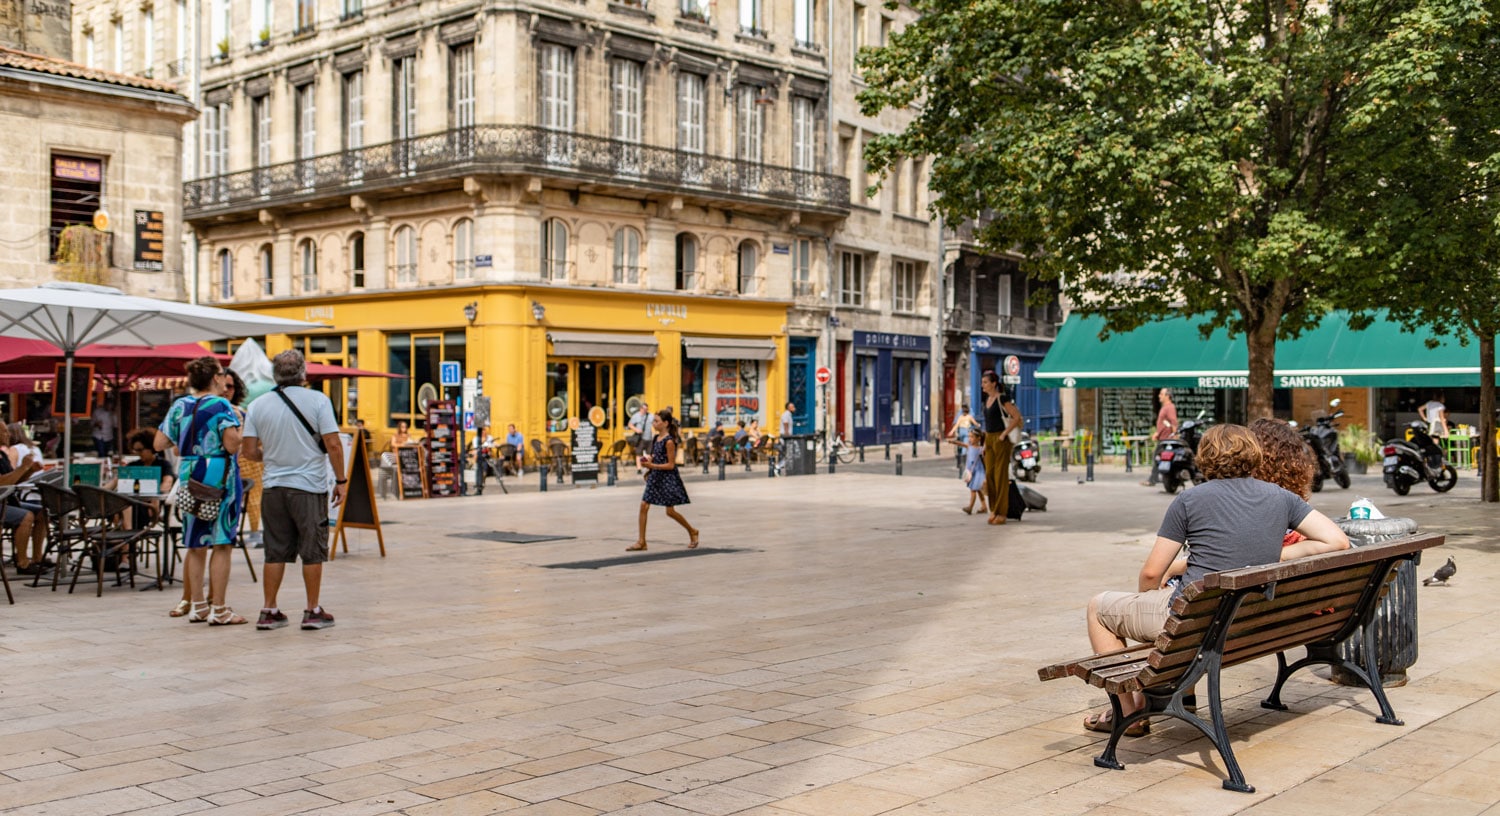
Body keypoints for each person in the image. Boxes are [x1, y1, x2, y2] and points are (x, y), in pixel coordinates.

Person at [1080, 424, 1349, 736]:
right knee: (1172, 605)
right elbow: (1337, 541)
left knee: (1098, 607)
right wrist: (1276, 555)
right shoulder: (1281, 497)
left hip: (1195, 624)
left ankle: (1129, 715)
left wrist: (1147, 597)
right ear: (1254, 455)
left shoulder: (1189, 500)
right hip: (1249, 624)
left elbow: (1152, 573)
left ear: (1205, 457)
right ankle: (1173, 692)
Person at [242, 350, 346, 631]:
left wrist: (273, 456)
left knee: (275, 550)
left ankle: (269, 610)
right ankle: (312, 610)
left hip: (273, 487)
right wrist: (341, 480)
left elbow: (248, 451)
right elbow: (333, 444)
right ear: (303, 372)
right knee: (312, 550)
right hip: (308, 487)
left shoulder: (257, 405)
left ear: (274, 375)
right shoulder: (318, 400)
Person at [155, 356, 246, 625]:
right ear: (216, 378)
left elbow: (159, 443)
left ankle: (197, 606)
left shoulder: (180, 405)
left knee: (195, 543)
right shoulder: (221, 405)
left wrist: (188, 437)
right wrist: (240, 425)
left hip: (189, 473)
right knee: (221, 542)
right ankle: (219, 609)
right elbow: (232, 445)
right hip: (218, 474)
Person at [627, 407, 699, 552]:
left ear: (665, 423)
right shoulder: (656, 438)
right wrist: (649, 461)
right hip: (655, 476)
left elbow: (671, 465)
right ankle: (641, 541)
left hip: (667, 478)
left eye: (656, 421)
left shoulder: (669, 441)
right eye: (653, 421)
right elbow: (656, 456)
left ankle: (692, 531)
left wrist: (652, 465)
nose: (653, 423)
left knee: (670, 511)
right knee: (643, 505)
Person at [0, 422, 47, 576]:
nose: (8, 435)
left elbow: (14, 480)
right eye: (4, 432)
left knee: (42, 513)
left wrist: (29, 471)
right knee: (26, 516)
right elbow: (2, 482)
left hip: (9, 500)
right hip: (2, 503)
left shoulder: (3, 456)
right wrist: (22, 467)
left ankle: (37, 557)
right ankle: (22, 562)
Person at [981, 372, 1023, 525]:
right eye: (982, 382)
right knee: (990, 474)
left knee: (1000, 476)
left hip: (1001, 438)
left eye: (985, 382)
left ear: (993, 383)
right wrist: (985, 443)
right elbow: (988, 423)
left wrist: (1004, 434)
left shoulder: (1002, 398)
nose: (983, 385)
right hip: (989, 438)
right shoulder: (986, 400)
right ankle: (993, 509)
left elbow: (1017, 417)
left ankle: (1002, 512)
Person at [1142, 388, 1178, 487]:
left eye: (1161, 394)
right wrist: (1158, 433)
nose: (1159, 396)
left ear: (1168, 396)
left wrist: (1174, 436)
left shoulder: (1170, 407)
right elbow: (1164, 423)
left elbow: (1173, 422)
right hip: (1162, 437)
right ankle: (1155, 478)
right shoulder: (1165, 407)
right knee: (1157, 457)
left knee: (1157, 457)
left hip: (1167, 439)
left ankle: (1153, 479)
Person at [957, 427, 988, 516]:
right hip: (971, 472)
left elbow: (986, 446)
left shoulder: (981, 449)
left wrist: (986, 435)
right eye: (969, 437)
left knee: (973, 489)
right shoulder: (969, 447)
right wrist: (953, 442)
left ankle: (970, 507)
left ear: (978, 438)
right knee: (978, 490)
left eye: (972, 437)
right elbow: (962, 444)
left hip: (979, 472)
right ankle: (984, 507)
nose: (970, 439)